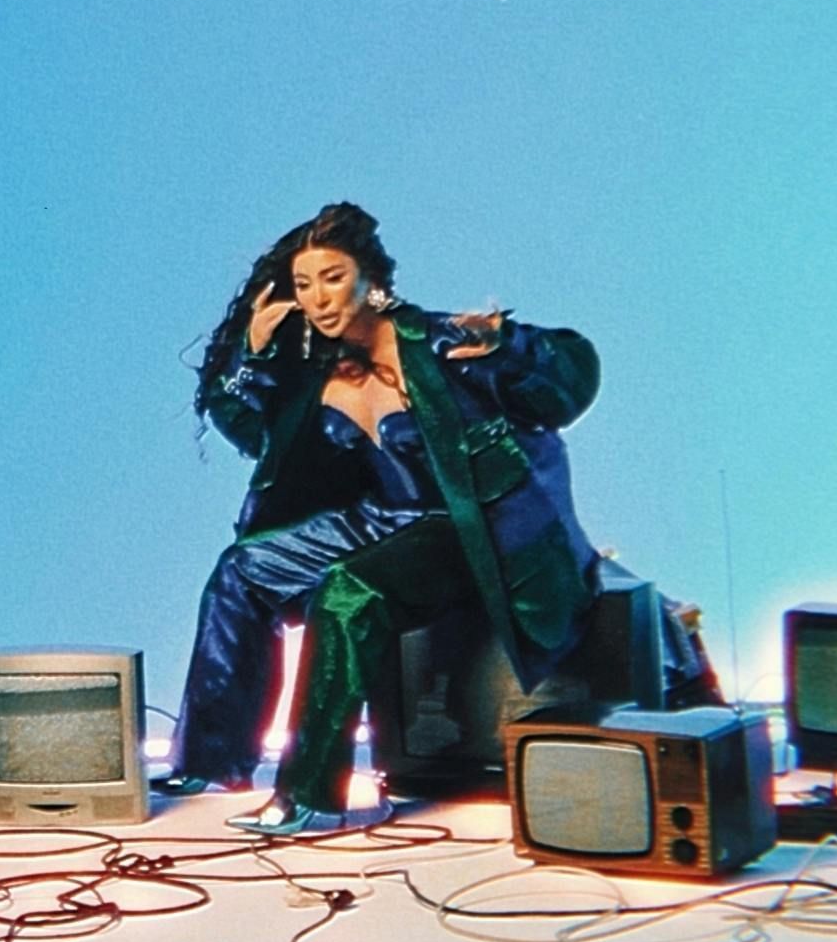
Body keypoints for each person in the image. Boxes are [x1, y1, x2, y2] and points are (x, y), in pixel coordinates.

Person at [161, 202, 603, 835]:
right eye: (305, 284)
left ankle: (316, 796)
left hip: (462, 526)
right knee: (243, 570)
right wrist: (254, 360)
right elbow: (259, 439)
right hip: (378, 520)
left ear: (373, 279)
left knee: (348, 595)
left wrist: (512, 344)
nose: (318, 298)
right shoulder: (319, 368)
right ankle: (213, 756)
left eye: (333, 277)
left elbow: (575, 377)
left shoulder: (442, 341)